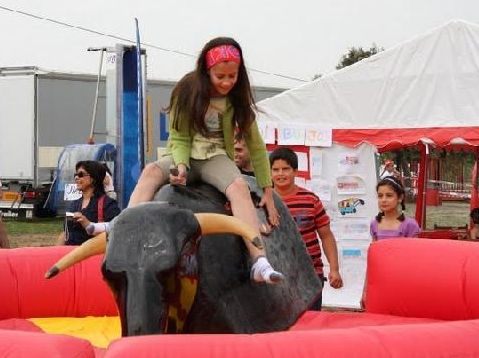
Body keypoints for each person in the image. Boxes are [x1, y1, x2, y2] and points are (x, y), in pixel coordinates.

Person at [127, 37, 283, 285]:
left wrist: (267, 188)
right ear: (206, 70)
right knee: (150, 172)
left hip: (216, 156)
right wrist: (180, 166)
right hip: (184, 153)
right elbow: (178, 135)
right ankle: (124, 226)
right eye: (220, 76)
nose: (227, 82)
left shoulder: (238, 96)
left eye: (232, 76)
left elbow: (255, 143)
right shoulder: (187, 89)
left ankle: (259, 260)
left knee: (240, 188)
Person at [269, 147, 343, 309]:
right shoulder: (263, 202)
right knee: (282, 328)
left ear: (295, 171)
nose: (280, 174)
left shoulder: (311, 200)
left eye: (286, 169)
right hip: (277, 274)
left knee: (310, 323)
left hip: (310, 273)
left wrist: (334, 269)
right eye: (275, 169)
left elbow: (326, 236)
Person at [58, 161, 121, 246]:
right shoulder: (74, 204)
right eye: (75, 175)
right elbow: (66, 233)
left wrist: (88, 224)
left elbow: (115, 231)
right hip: (71, 255)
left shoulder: (108, 204)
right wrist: (56, 253)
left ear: (93, 179)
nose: (76, 178)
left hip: (92, 256)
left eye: (81, 175)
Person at [370, 176, 420, 241]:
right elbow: (374, 249)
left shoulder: (410, 225)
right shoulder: (374, 224)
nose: (383, 200)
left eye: (389, 195)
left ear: (400, 198)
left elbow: (413, 250)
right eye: (380, 196)